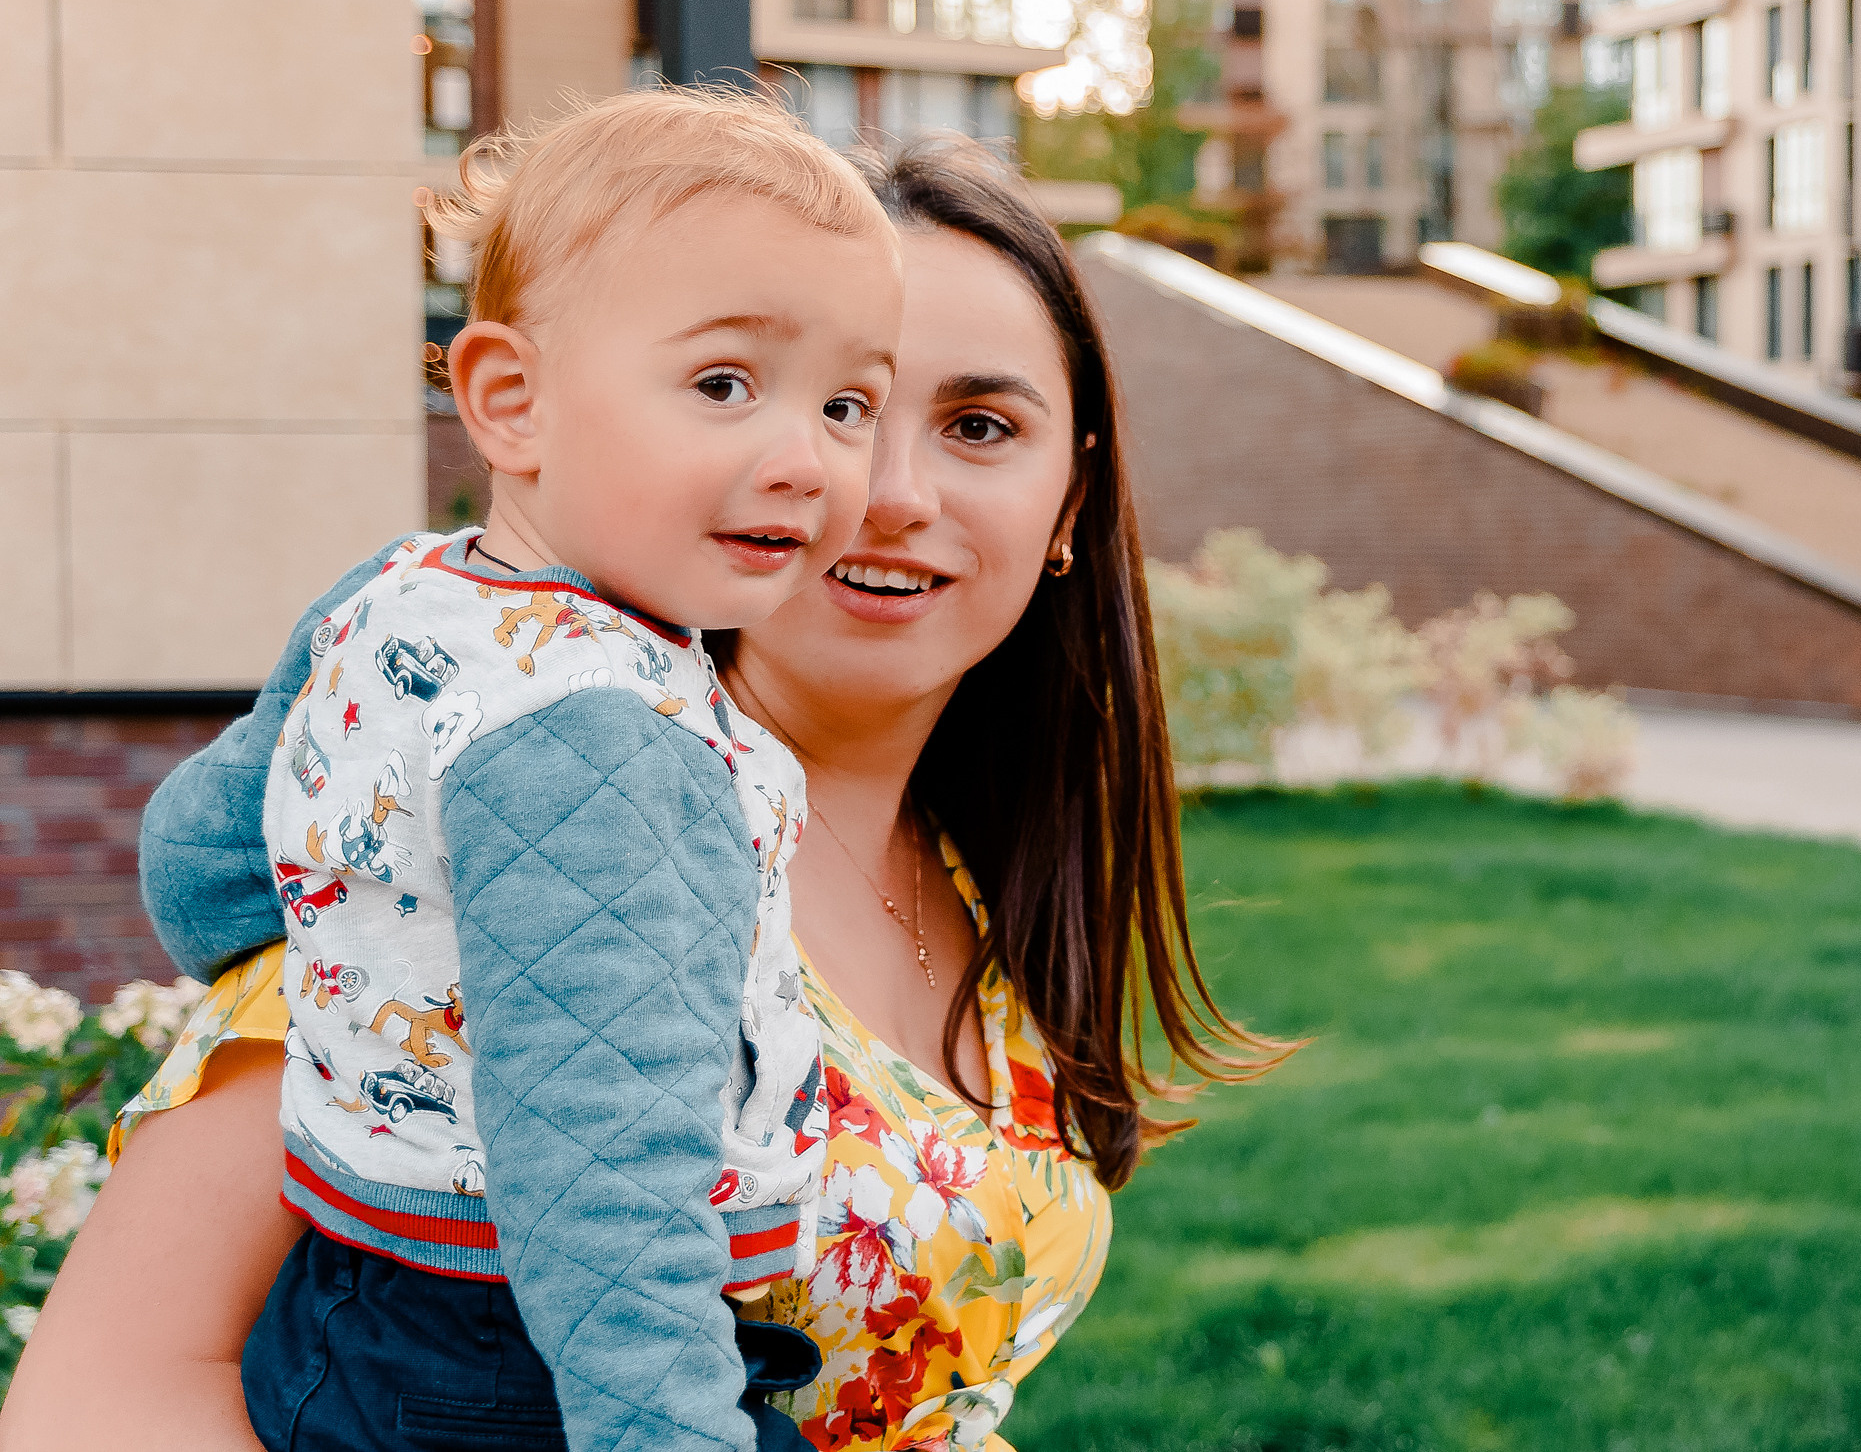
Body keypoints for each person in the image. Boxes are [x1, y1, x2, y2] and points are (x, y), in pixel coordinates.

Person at [0, 138, 1285, 1452]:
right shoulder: (528, 821)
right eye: (732, 387)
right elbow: (99, 1409)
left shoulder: (966, 873)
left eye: (973, 425)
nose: (875, 490)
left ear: (1074, 495)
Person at [129, 87, 904, 1451]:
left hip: (351, 1302)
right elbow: (602, 1184)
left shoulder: (396, 599)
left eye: (848, 403)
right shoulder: (607, 737)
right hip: (534, 1372)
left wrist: (369, 989)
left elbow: (201, 852)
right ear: (512, 398)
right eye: (727, 383)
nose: (808, 459)